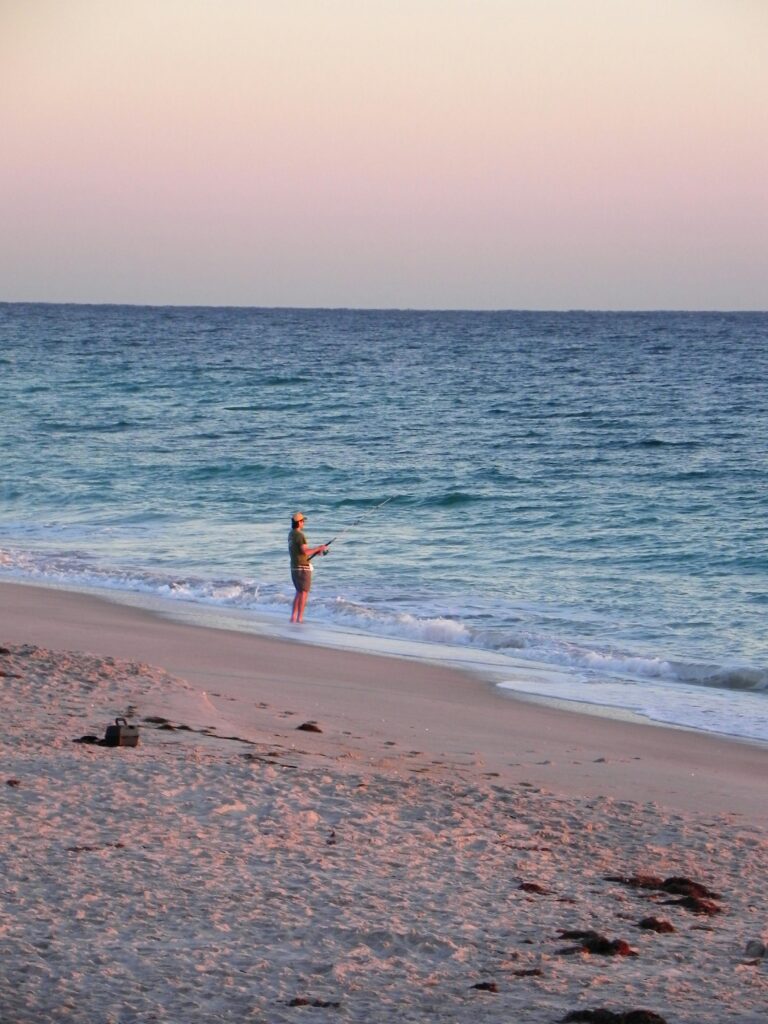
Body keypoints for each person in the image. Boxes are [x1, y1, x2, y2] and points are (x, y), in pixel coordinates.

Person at [288, 512, 328, 622]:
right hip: (302, 568)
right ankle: (299, 618)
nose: (304, 523)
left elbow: (300, 552)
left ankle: (293, 617)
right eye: (303, 521)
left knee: (298, 592)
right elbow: (305, 551)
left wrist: (317, 551)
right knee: (304, 593)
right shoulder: (300, 535)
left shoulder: (291, 534)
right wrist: (319, 548)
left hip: (294, 567)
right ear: (299, 522)